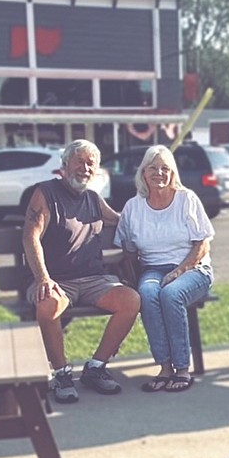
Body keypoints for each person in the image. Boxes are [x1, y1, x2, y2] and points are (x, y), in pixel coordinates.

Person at [22, 139, 141, 405]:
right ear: (65, 165)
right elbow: (31, 237)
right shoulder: (45, 193)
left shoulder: (93, 199)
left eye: (91, 164)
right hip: (56, 280)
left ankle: (96, 367)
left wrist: (156, 212)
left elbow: (122, 221)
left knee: (131, 300)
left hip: (94, 280)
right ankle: (62, 373)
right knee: (48, 303)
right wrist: (43, 278)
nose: (84, 168)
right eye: (79, 161)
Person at [115, 145, 215, 393]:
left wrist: (179, 271)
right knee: (148, 294)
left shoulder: (186, 199)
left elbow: (202, 243)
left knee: (171, 294)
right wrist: (130, 278)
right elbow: (127, 249)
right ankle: (164, 368)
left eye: (165, 168)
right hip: (152, 269)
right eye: (153, 168)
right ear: (143, 173)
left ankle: (182, 368)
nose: (159, 173)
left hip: (193, 269)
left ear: (173, 173)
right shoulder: (133, 207)